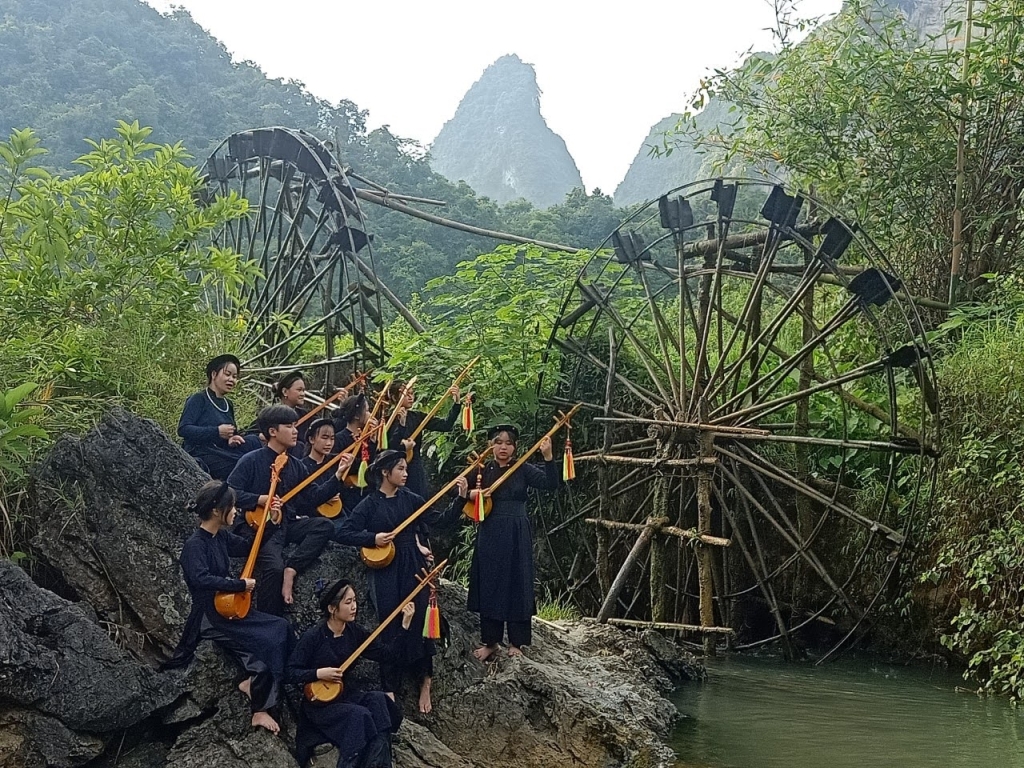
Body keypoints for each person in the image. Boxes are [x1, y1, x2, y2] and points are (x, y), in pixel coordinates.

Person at [166, 480, 290, 734]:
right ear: (216, 511)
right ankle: (259, 707)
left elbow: (248, 548)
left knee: (281, 628)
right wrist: (239, 584)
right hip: (210, 617)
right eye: (232, 507)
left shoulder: (220, 536)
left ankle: (255, 686)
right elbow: (200, 579)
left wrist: (272, 521)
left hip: (229, 610)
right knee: (261, 649)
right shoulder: (194, 545)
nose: (236, 511)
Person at [334, 450, 436, 714]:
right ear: (384, 472)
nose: (405, 473)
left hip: (412, 563)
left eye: (405, 469)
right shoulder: (369, 504)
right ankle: (389, 686)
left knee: (422, 617)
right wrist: (373, 538)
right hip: (385, 569)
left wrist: (460, 501)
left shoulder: (411, 499)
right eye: (400, 469)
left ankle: (425, 679)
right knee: (390, 623)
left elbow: (438, 520)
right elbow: (344, 531)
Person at [228, 404, 353, 615]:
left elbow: (312, 498)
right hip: (259, 528)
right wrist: (260, 499)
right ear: (272, 431)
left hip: (286, 524)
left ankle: (292, 568)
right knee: (273, 568)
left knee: (323, 525)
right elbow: (230, 492)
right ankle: (267, 618)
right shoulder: (251, 460)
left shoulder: (296, 465)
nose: (296, 431)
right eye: (289, 426)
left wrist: (338, 475)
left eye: (295, 425)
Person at [456, 424, 558, 660]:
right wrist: (472, 494)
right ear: (491, 445)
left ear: (515, 447)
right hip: (490, 530)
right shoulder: (481, 469)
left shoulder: (522, 469)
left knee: (517, 582)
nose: (503, 447)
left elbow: (550, 484)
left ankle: (517, 642)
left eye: (508, 443)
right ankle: (490, 641)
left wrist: (548, 457)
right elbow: (456, 490)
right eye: (498, 442)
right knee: (491, 582)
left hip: (516, 531)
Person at [288, 580, 414, 768]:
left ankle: (379, 765)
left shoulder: (354, 632)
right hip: (320, 706)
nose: (354, 606)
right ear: (332, 608)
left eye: (354, 600)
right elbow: (289, 673)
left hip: (345, 695)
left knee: (379, 702)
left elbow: (388, 655)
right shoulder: (313, 637)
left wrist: (404, 625)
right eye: (348, 602)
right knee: (359, 715)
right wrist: (318, 673)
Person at [178, 354, 261, 480]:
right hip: (201, 452)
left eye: (235, 377)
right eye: (227, 374)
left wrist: (232, 439)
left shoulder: (229, 404)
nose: (231, 380)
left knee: (254, 442)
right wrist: (216, 431)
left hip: (222, 450)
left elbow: (229, 435)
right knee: (242, 465)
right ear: (214, 374)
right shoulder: (199, 399)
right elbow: (184, 429)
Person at [385, 381, 461, 498]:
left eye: (412, 393)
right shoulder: (387, 421)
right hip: (393, 469)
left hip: (415, 468)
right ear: (395, 397)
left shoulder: (417, 417)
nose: (411, 397)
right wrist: (402, 426)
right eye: (406, 394)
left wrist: (456, 403)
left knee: (419, 500)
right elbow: (388, 447)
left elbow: (445, 425)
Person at [332, 393, 379, 519]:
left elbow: (373, 465)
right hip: (348, 495)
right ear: (357, 415)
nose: (370, 415)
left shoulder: (368, 437)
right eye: (368, 410)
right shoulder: (339, 439)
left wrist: (373, 443)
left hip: (367, 492)